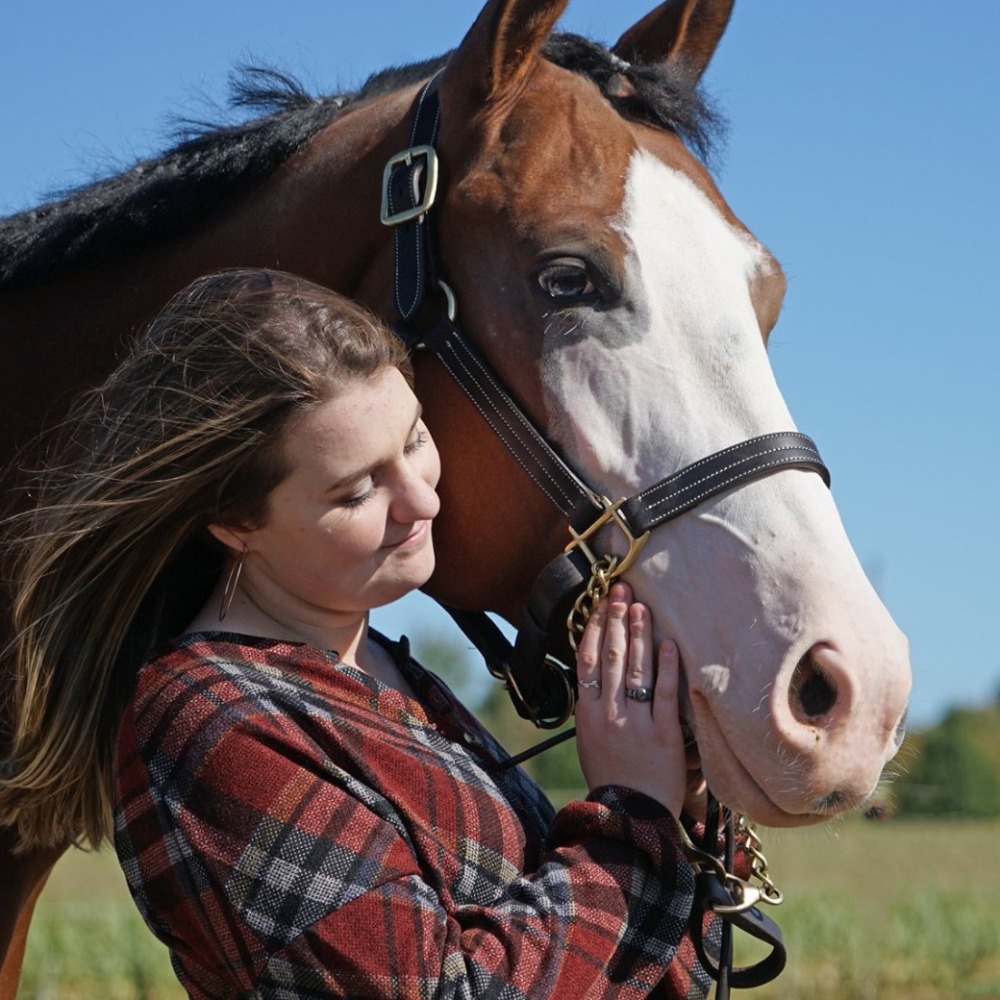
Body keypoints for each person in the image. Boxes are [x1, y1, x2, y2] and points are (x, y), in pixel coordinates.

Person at [1, 268, 730, 998]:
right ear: (235, 523)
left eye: (415, 439)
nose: (420, 499)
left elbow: (638, 973)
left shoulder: (380, 667)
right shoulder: (211, 725)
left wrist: (684, 810)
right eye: (356, 490)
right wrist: (631, 815)